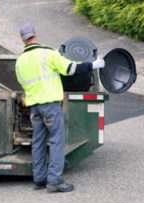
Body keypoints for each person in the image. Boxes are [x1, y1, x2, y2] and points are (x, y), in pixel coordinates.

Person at [15, 24, 105, 193]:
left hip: (34, 107)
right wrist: (93, 65)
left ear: (22, 39)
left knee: (38, 142)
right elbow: (71, 69)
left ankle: (39, 179)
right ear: (36, 35)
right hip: (50, 105)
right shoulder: (48, 54)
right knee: (57, 140)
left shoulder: (20, 61)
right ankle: (55, 180)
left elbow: (22, 82)